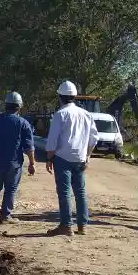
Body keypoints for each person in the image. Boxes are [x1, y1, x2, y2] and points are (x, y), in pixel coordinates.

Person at [45, 81, 99, 236]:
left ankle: (66, 225)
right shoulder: (86, 114)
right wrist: (87, 156)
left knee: (64, 192)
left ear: (59, 97)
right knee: (80, 192)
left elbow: (52, 139)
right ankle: (82, 226)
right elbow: (94, 138)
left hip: (62, 158)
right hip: (80, 158)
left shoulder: (60, 114)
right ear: (75, 96)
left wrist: (49, 158)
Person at [0, 92, 36, 225]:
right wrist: (32, 163)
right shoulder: (23, 123)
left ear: (6, 105)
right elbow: (29, 146)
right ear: (19, 106)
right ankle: (5, 215)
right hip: (13, 163)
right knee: (10, 188)